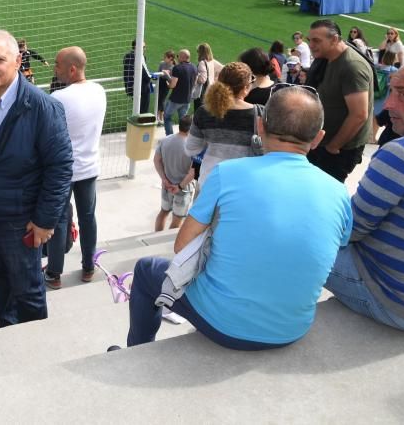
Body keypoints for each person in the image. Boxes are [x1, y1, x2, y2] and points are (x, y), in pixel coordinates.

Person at [124, 86, 351, 350]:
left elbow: (181, 246)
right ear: (318, 138)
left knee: (144, 270)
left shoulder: (227, 174)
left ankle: (136, 350)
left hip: (223, 325)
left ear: (260, 126)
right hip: (292, 329)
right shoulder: (338, 192)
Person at [0, 29, 73, 327]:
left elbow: (60, 167)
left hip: (19, 222)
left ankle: (33, 350)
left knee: (28, 291)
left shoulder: (43, 107)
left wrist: (46, 220)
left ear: (17, 60)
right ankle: (6, 330)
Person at [325, 59, 404, 331]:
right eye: (391, 92)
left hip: (400, 304)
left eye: (402, 93)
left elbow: (348, 231)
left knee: (297, 233)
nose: (388, 105)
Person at [44, 47, 106, 288]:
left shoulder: (59, 99)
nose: (55, 68)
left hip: (63, 171)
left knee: (60, 220)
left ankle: (54, 273)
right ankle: (89, 267)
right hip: (89, 168)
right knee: (88, 217)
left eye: (58, 64)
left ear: (71, 68)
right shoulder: (99, 91)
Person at [306, 19, 373, 182]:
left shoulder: (352, 67)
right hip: (322, 142)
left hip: (339, 149)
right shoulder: (328, 58)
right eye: (310, 40)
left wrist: (333, 146)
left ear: (334, 39)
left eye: (317, 41)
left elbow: (359, 115)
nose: (311, 45)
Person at [185, 62, 261, 183]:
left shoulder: (204, 112)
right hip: (244, 185)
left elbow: (191, 149)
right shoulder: (260, 113)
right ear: (246, 87)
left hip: (210, 182)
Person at [153, 114, 195, 232]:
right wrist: (179, 186)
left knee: (163, 212)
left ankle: (155, 239)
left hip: (166, 186)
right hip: (183, 189)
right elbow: (193, 172)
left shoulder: (165, 140)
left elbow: (156, 160)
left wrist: (164, 179)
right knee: (177, 220)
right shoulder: (193, 148)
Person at [163, 49, 197, 136]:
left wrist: (168, 82)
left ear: (182, 57)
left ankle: (169, 136)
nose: (177, 58)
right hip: (187, 100)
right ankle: (183, 137)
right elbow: (195, 82)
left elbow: (172, 85)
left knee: (167, 117)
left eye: (178, 56)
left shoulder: (177, 68)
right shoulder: (194, 67)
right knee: (183, 121)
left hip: (175, 100)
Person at [191, 42, 223, 113]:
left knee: (199, 111)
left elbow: (202, 79)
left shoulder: (202, 63)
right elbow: (222, 68)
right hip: (210, 89)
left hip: (202, 92)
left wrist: (195, 77)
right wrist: (215, 79)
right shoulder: (212, 61)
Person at [122, 39, 151, 114]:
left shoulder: (139, 56)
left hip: (140, 88)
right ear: (137, 47)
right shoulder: (133, 57)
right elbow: (144, 75)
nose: (145, 49)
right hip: (139, 89)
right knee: (142, 111)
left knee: (141, 110)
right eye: (143, 47)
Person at [156, 50, 175, 124]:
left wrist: (166, 74)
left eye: (165, 57)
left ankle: (160, 116)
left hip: (166, 84)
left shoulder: (173, 67)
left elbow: (171, 80)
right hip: (160, 82)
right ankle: (159, 116)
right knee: (158, 98)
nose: (164, 58)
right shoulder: (162, 63)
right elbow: (158, 73)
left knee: (162, 99)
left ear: (170, 58)